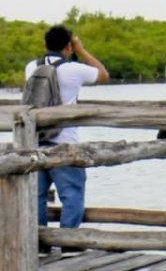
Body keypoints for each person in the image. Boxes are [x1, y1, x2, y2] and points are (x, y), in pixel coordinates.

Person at [25, 25, 109, 233]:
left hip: (35, 141)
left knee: (36, 196)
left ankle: (39, 244)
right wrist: (81, 50)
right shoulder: (73, 69)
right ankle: (69, 245)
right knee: (72, 193)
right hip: (65, 141)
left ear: (45, 45)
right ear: (68, 46)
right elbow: (104, 75)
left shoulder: (31, 67)